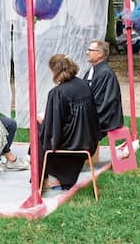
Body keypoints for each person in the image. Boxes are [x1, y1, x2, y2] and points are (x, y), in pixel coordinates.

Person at [38, 54, 99, 191]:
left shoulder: (57, 92)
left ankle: (44, 178)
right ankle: (56, 177)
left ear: (54, 71)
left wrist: (44, 121)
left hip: (71, 144)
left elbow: (54, 127)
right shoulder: (83, 85)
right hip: (89, 140)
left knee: (39, 133)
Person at [81, 39, 124, 139]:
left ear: (100, 54)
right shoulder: (93, 70)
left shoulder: (105, 74)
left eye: (90, 50)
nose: (87, 52)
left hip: (106, 118)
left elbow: (102, 103)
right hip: (94, 114)